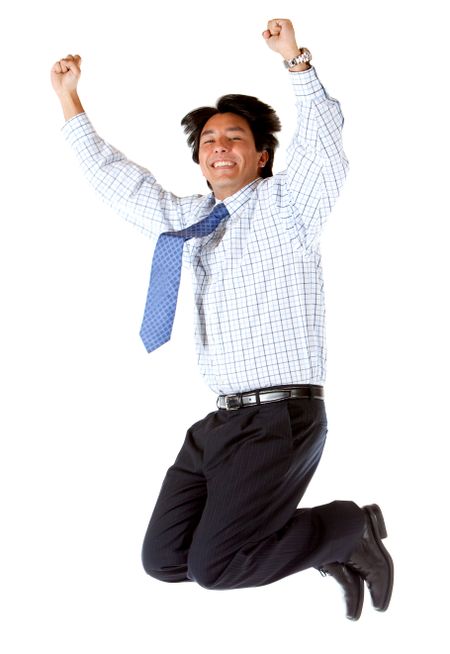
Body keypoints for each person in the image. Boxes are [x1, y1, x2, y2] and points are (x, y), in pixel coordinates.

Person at [51, 18, 394, 621]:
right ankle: (325, 545)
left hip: (279, 417)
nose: (219, 147)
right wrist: (70, 102)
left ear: (261, 155)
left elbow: (324, 149)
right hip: (222, 420)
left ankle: (347, 529)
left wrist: (296, 63)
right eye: (209, 141)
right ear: (199, 160)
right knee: (166, 558)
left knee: (216, 567)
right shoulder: (192, 222)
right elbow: (121, 186)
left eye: (235, 138)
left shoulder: (289, 207)